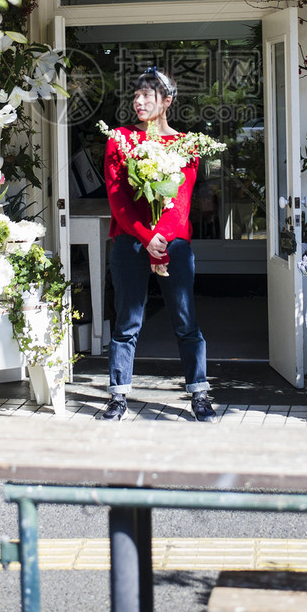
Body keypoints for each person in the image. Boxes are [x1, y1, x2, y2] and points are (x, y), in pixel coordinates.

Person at [99, 67, 216, 423]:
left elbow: (181, 200)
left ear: (167, 101)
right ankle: (118, 396)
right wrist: (146, 238)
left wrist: (162, 240)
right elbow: (117, 198)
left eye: (148, 95)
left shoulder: (186, 144)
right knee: (126, 321)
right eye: (136, 95)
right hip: (130, 242)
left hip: (174, 243)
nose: (139, 101)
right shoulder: (119, 139)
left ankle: (198, 392)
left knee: (185, 320)